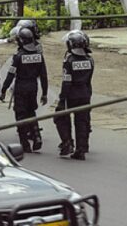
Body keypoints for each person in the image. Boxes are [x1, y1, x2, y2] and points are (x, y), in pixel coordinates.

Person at [0, 28, 48, 153]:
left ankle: (25, 144)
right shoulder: (39, 56)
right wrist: (45, 93)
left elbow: (10, 75)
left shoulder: (18, 57)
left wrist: (3, 90)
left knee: (20, 115)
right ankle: (37, 137)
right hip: (33, 87)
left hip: (21, 87)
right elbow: (43, 76)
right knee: (31, 112)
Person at [54, 30, 94, 160]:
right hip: (85, 94)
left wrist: (62, 99)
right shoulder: (90, 60)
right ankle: (81, 149)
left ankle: (67, 142)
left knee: (60, 117)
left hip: (71, 94)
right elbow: (89, 80)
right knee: (82, 122)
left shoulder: (69, 61)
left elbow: (66, 82)